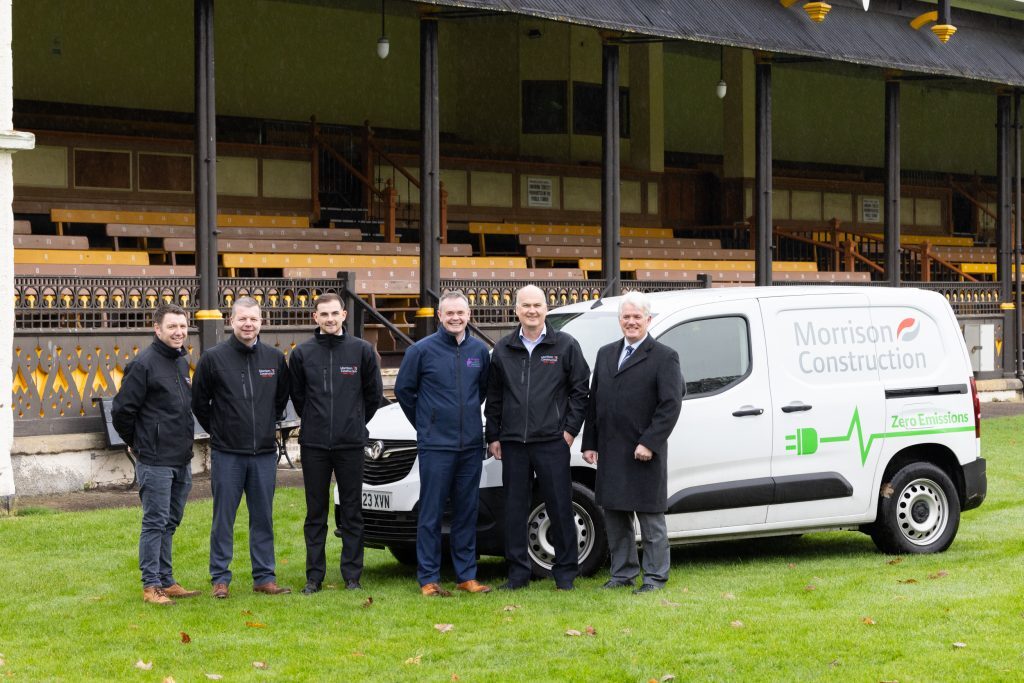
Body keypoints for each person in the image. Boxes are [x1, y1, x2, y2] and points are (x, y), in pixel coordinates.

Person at [486, 284, 590, 591]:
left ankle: (566, 574)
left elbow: (580, 392)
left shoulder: (566, 345)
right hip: (514, 443)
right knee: (515, 509)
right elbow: (494, 396)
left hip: (552, 442)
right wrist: (494, 434)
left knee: (560, 507)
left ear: (546, 309)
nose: (532, 311)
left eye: (538, 305)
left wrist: (570, 431)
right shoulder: (503, 349)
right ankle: (518, 574)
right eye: (526, 305)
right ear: (516, 310)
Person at [581, 291, 682, 594]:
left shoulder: (665, 356)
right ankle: (622, 574)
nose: (631, 322)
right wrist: (590, 442)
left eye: (637, 316)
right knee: (615, 518)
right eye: (626, 316)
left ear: (648, 320)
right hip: (611, 452)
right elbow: (595, 401)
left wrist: (649, 442)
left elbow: (670, 404)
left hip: (643, 453)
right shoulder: (605, 353)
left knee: (651, 522)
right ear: (620, 320)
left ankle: (654, 578)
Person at [191, 296, 291, 598]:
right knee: (224, 517)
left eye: (254, 319)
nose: (248, 324)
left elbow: (280, 400)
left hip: (262, 453)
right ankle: (220, 578)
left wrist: (261, 427)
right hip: (227, 454)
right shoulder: (213, 358)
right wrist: (221, 431)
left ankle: (264, 577)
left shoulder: (274, 359)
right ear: (230, 321)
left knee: (263, 517)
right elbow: (199, 403)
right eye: (242, 319)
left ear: (261, 322)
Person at [394, 291, 492, 597]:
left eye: (460, 313)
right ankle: (429, 578)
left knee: (466, 511)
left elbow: (483, 390)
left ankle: (466, 576)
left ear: (469, 314)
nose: (455, 318)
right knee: (431, 512)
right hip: (436, 446)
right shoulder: (421, 351)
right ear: (439, 316)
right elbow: (404, 391)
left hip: (471, 446)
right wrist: (427, 425)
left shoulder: (479, 351)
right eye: (449, 313)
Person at [288, 293, 383, 595]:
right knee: (315, 512)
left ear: (344, 315)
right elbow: (299, 397)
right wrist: (318, 421)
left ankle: (352, 575)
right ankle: (314, 576)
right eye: (323, 314)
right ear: (314, 318)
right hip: (314, 444)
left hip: (350, 444)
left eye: (334, 313)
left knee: (352, 510)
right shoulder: (302, 353)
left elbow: (372, 395)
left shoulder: (362, 351)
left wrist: (353, 422)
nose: (329, 319)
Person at [112, 303, 201, 606]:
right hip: (155, 460)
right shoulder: (144, 364)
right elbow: (122, 410)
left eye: (182, 326)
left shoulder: (180, 362)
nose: (179, 332)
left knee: (171, 520)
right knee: (155, 521)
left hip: (181, 457)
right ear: (157, 329)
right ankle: (151, 585)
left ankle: (167, 580)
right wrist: (137, 443)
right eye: (172, 326)